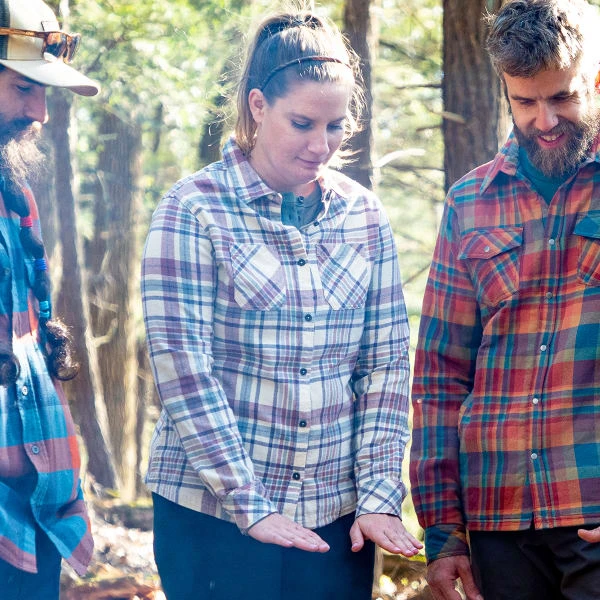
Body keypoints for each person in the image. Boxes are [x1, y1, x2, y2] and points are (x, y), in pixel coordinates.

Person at [142, 8, 422, 600]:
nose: (322, 145)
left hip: (335, 521)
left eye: (336, 126)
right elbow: (184, 369)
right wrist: (251, 504)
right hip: (213, 518)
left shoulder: (364, 215)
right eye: (302, 123)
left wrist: (378, 495)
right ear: (257, 106)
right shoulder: (193, 208)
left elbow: (385, 366)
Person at [410, 0, 600, 599]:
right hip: (497, 518)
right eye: (526, 102)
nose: (546, 120)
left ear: (594, 81)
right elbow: (440, 374)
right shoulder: (468, 203)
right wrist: (444, 532)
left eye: (563, 97)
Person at [0, 0, 100, 598]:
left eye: (43, 93)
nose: (39, 112)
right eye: (22, 88)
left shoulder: (17, 201)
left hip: (38, 509)